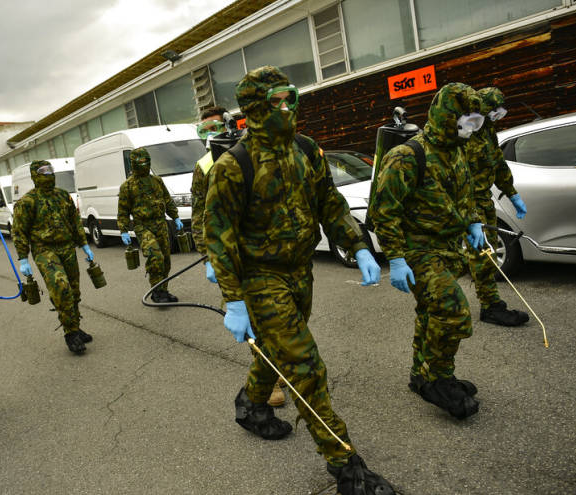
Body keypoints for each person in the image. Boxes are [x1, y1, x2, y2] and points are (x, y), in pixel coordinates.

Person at [204, 66, 391, 494]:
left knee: (274, 348)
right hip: (260, 278)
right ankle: (346, 466)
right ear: (254, 108)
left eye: (291, 98)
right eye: (275, 102)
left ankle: (252, 406)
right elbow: (219, 237)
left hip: (300, 271)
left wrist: (357, 245)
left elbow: (330, 201)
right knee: (305, 366)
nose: (286, 108)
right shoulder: (235, 165)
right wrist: (233, 300)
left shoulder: (307, 149)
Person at [368, 82, 486, 420]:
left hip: (448, 247)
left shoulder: (457, 150)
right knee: (453, 313)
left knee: (430, 313)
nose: (472, 129)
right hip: (417, 250)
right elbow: (383, 211)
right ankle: (439, 379)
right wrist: (395, 257)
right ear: (448, 117)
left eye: (477, 123)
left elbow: (464, 194)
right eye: (468, 122)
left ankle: (421, 375)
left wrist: (473, 222)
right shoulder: (406, 156)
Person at [191, 106, 287, 408]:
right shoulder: (205, 165)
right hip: (231, 252)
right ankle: (270, 380)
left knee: (283, 314)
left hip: (267, 248)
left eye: (216, 126)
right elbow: (198, 215)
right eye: (204, 129)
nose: (211, 134)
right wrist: (207, 256)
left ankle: (278, 368)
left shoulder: (253, 151)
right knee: (256, 319)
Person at [13, 160, 94, 354]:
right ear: (34, 175)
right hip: (44, 250)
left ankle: (75, 326)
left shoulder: (63, 196)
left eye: (50, 170)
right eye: (42, 171)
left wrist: (84, 244)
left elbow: (74, 222)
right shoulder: (27, 202)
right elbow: (19, 232)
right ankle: (70, 333)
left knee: (74, 291)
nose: (47, 174)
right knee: (61, 288)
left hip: (67, 248)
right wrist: (23, 258)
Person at [464, 87, 529, 327]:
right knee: (482, 253)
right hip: (467, 202)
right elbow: (456, 177)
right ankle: (490, 307)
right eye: (493, 110)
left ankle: (487, 302)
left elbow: (498, 164)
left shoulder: (488, 132)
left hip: (483, 200)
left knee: (483, 251)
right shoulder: (465, 133)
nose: (497, 115)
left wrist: (511, 193)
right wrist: (470, 216)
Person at [117, 148, 183, 303]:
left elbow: (167, 200)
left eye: (146, 161)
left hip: (161, 223)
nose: (144, 164)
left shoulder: (157, 181)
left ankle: (164, 291)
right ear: (133, 164)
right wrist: (123, 230)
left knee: (166, 260)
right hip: (143, 226)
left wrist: (176, 217)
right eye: (140, 162)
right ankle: (156, 292)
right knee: (155, 256)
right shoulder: (127, 186)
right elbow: (123, 211)